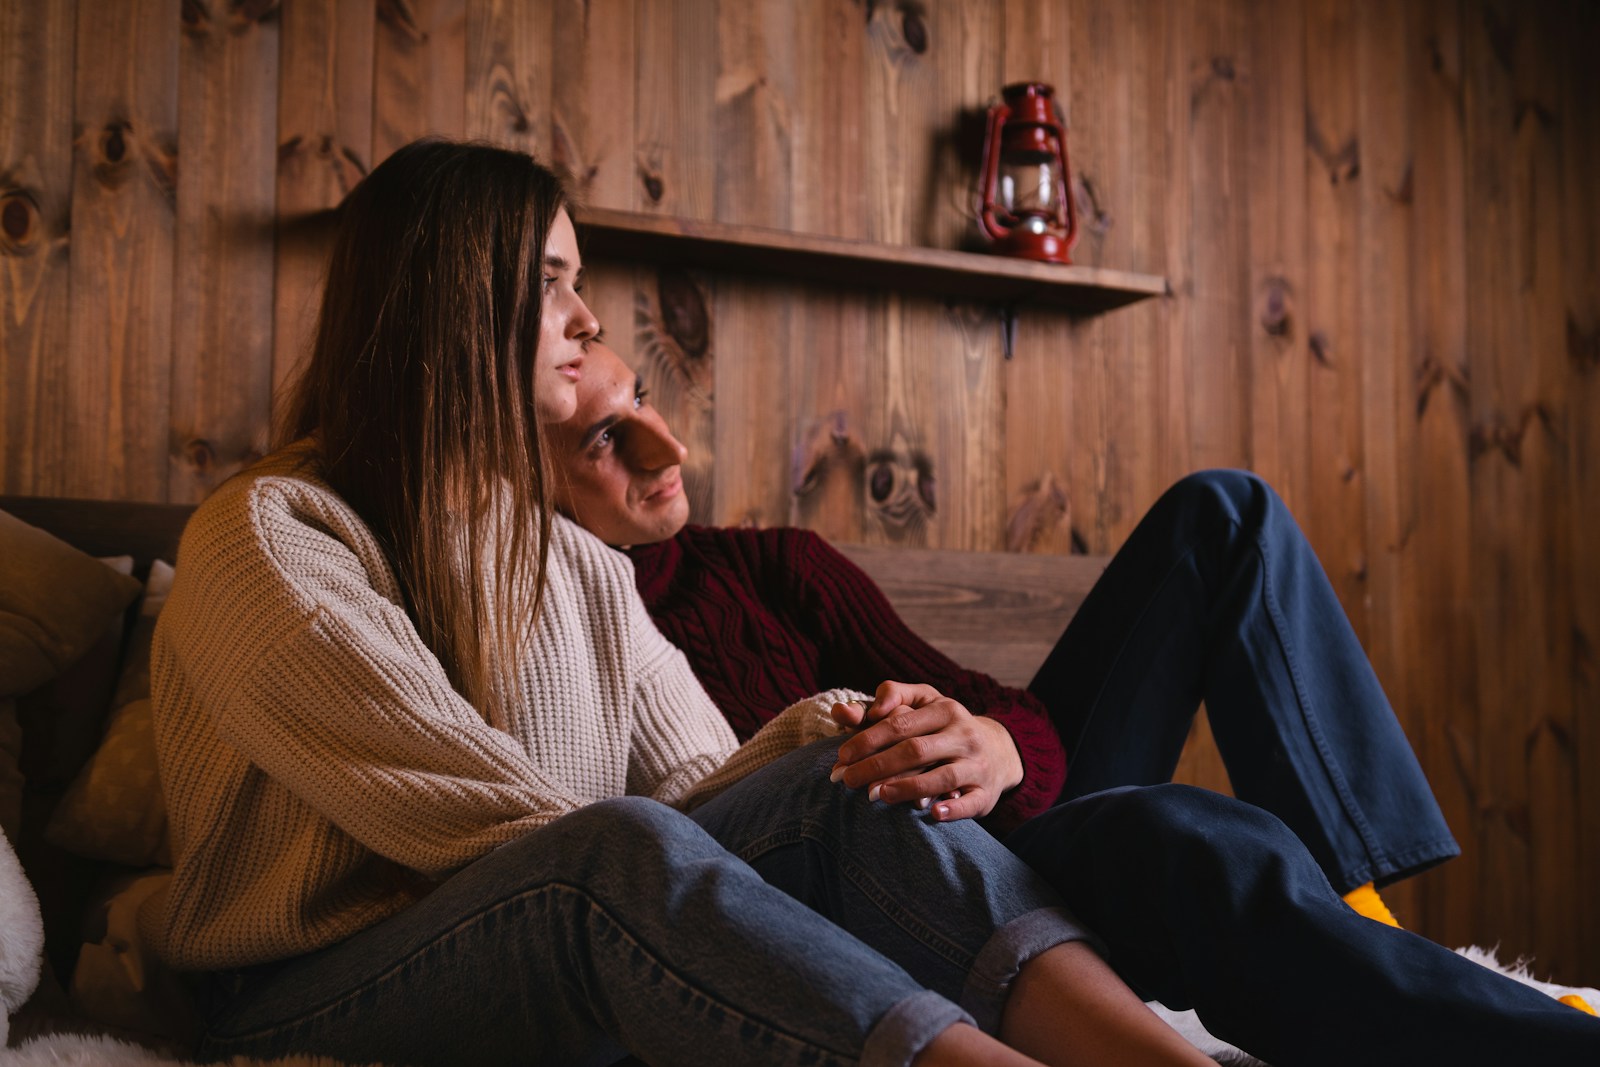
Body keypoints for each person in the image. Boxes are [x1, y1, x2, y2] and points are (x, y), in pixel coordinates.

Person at [143, 138, 1223, 1067]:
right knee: (613, 853)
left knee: (846, 786)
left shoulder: (580, 564)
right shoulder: (272, 532)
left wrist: (847, 741)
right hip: (297, 996)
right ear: (448, 297)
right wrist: (798, 766)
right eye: (552, 279)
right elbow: (484, 828)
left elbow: (719, 797)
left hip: (537, 928)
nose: (586, 315)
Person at [549, 337, 1600, 1065]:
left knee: (1222, 513)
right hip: (868, 904)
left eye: (644, 394)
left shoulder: (771, 564)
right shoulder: (544, 623)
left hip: (1002, 833)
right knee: (1183, 830)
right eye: (605, 437)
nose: (663, 443)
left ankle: (1372, 923)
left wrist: (998, 741)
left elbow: (995, 704)